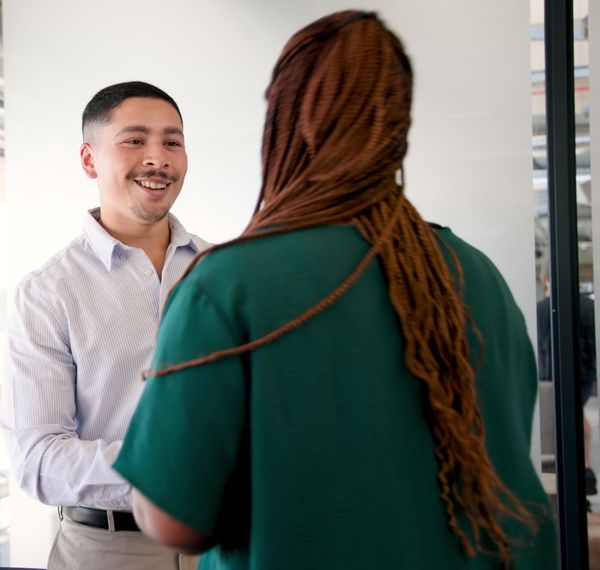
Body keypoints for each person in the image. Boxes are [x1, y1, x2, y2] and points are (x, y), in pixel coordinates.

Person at [112, 11, 557, 569]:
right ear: (397, 124)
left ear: (287, 120)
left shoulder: (225, 286)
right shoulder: (476, 274)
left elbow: (175, 522)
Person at [0, 81, 208, 569]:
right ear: (90, 160)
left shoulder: (224, 271)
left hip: (225, 543)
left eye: (172, 142)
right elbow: (37, 458)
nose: (158, 158)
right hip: (108, 549)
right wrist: (168, 470)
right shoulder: (49, 291)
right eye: (134, 140)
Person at [537, 264, 598, 496]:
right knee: (577, 414)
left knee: (558, 423)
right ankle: (584, 468)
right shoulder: (589, 307)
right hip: (583, 374)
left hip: (548, 376)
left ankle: (569, 473)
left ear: (544, 279)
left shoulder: (540, 309)